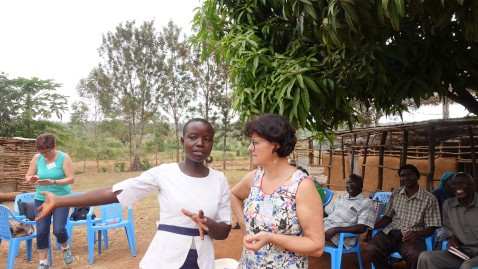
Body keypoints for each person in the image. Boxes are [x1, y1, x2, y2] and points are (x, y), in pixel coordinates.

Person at [36, 118, 232, 269]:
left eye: (207, 139)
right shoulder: (164, 173)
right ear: (182, 140)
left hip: (202, 261)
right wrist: (60, 201)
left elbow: (224, 230)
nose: (200, 143)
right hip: (165, 258)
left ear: (212, 144)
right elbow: (113, 192)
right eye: (193, 137)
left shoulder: (219, 180)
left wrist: (208, 223)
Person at [231, 113, 324, 268]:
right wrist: (244, 225)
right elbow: (234, 195)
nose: (250, 148)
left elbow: (316, 246)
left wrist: (272, 238)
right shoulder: (255, 177)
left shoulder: (302, 186)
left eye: (255, 143)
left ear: (275, 145)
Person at [365, 164, 441, 269]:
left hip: (412, 237)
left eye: (409, 174)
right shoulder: (396, 193)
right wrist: (372, 226)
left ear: (417, 177)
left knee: (415, 256)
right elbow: (388, 217)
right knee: (372, 248)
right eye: (402, 175)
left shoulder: (429, 198)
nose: (405, 178)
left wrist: (417, 234)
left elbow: (431, 227)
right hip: (391, 233)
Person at [25, 133, 75, 269]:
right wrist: (31, 178)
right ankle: (43, 263)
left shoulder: (64, 158)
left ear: (54, 147)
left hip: (61, 199)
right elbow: (28, 176)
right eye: (41, 152)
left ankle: (65, 248)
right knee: (41, 231)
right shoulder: (37, 158)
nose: (44, 155)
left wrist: (53, 182)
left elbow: (71, 179)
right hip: (41, 199)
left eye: (46, 151)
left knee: (58, 229)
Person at [417, 172, 478, 269]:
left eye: (462, 183)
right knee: (425, 257)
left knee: (467, 266)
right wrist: (453, 240)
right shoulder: (448, 205)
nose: (458, 187)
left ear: (472, 185)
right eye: (454, 184)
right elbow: (449, 229)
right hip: (463, 252)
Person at [324, 174, 375, 249]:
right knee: (303, 228)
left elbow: (361, 228)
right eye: (347, 183)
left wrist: (336, 230)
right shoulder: (341, 197)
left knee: (305, 236)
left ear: (361, 185)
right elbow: (326, 213)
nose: (349, 186)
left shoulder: (366, 203)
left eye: (352, 183)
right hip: (324, 228)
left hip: (338, 237)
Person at [431, 172, 455, 249]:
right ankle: (437, 254)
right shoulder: (437, 193)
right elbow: (433, 213)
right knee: (441, 235)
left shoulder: (459, 193)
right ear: (445, 182)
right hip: (441, 224)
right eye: (451, 179)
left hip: (458, 224)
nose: (454, 181)